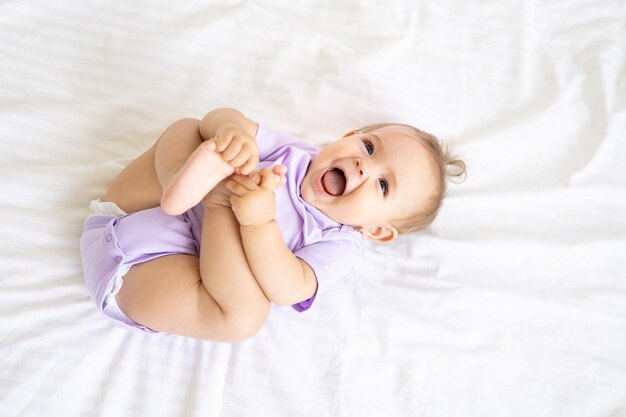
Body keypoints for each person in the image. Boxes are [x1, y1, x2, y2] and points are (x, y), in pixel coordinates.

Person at [79, 107, 465, 342]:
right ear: (348, 137)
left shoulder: (340, 243)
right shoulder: (294, 153)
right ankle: (186, 177)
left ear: (377, 229)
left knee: (245, 317)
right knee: (189, 128)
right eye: (368, 147)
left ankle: (216, 202)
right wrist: (230, 133)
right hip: (136, 211)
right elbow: (226, 117)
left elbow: (289, 288)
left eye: (383, 184)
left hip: (154, 277)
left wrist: (258, 221)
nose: (365, 164)